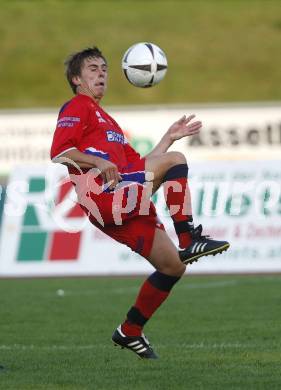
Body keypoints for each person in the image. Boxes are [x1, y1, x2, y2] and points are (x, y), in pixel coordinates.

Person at [50, 46, 230, 360]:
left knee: (172, 266)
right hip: (103, 196)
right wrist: (95, 161)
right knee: (176, 162)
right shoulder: (78, 105)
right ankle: (189, 238)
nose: (102, 73)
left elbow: (143, 166)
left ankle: (129, 331)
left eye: (104, 68)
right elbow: (59, 152)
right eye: (93, 68)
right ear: (77, 79)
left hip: (123, 201)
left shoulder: (109, 124)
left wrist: (167, 139)